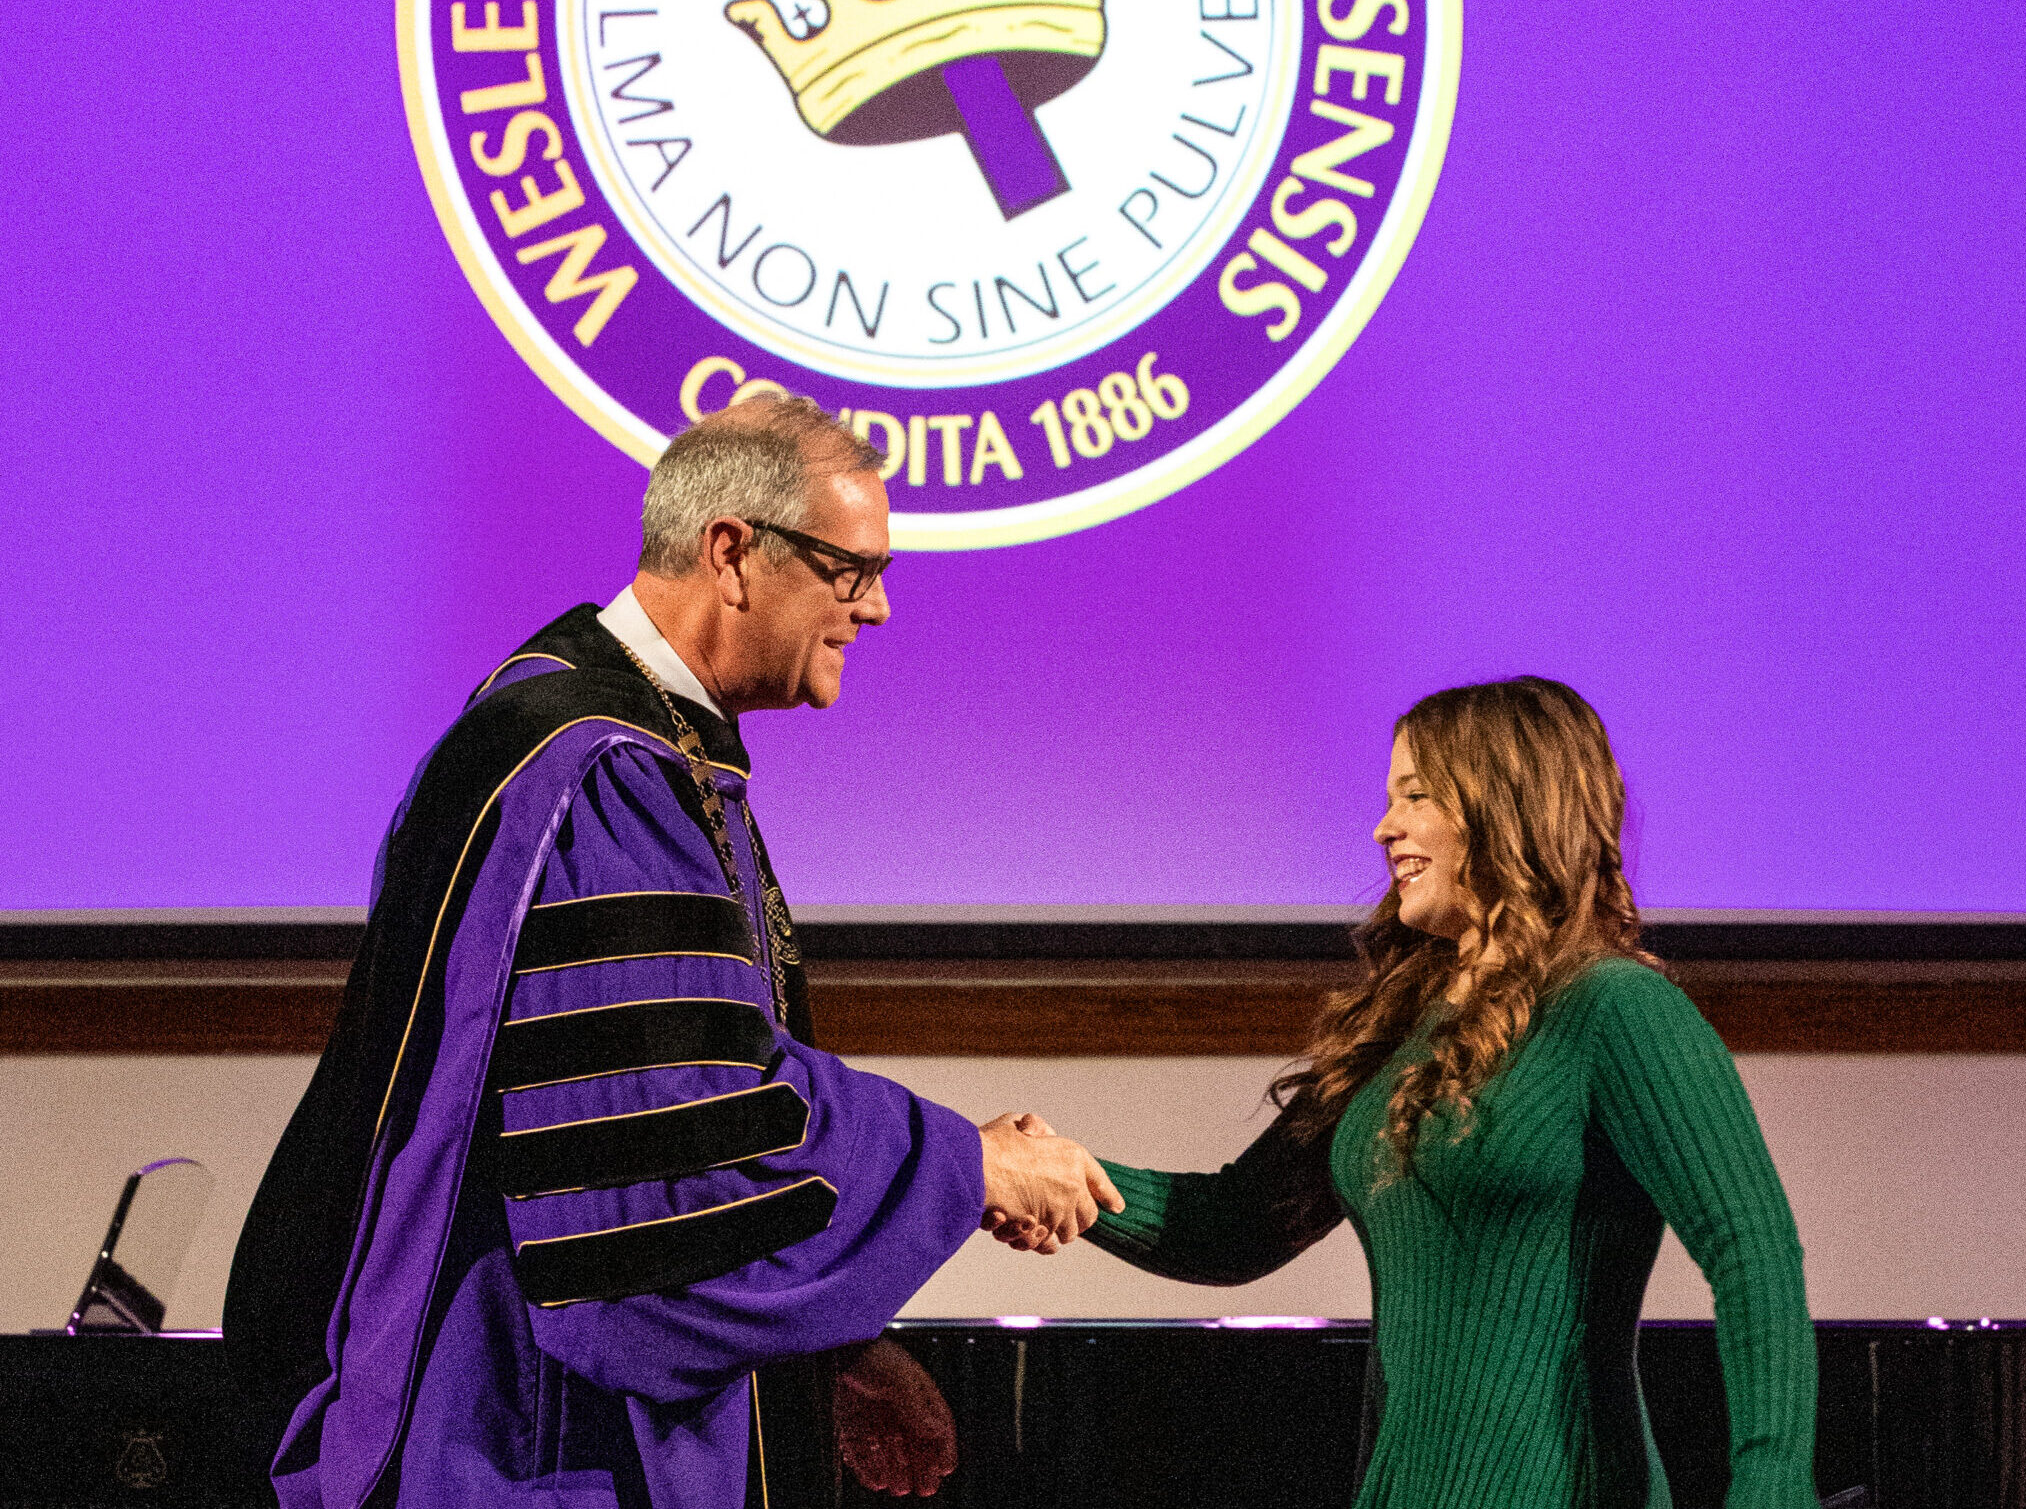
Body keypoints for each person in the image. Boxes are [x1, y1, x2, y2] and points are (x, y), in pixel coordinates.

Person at [225, 395, 1118, 1509]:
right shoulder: (607, 774)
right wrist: (965, 1161)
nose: (877, 607)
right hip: (529, 1436)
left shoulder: (583, 732)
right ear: (733, 550)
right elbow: (670, 1163)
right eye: (852, 569)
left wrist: (821, 1351)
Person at [998, 678, 1817, 1507]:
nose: (1385, 829)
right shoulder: (1398, 1029)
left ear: (1508, 806)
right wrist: (1041, 1173)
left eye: (1416, 796)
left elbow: (1754, 1254)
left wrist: (1773, 1485)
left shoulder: (1617, 1007)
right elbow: (1232, 1227)